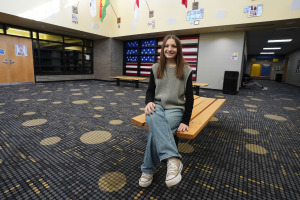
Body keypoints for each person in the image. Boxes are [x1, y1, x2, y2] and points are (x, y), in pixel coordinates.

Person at [139, 35, 194, 188]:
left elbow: (190, 98)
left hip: (175, 109)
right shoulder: (156, 68)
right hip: (157, 107)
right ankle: (174, 158)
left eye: (173, 46)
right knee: (157, 123)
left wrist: (185, 120)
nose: (170, 49)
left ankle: (148, 170)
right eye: (166, 46)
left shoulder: (186, 70)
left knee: (155, 132)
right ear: (163, 49)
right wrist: (148, 102)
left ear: (178, 49)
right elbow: (150, 91)